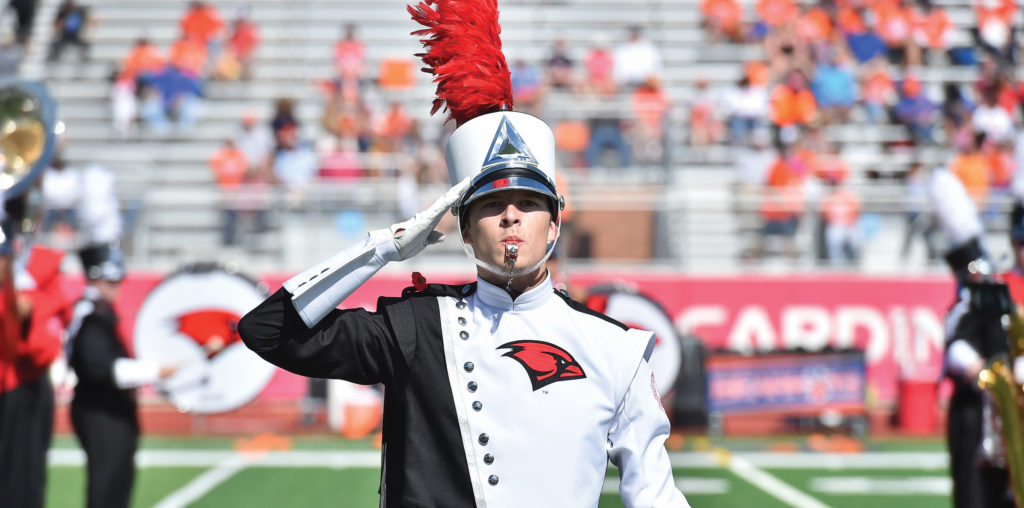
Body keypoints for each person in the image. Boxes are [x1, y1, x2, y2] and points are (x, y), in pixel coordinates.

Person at [239, 1, 688, 506]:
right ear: (466, 231)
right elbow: (267, 330)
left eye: (529, 204)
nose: (511, 216)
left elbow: (655, 496)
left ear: (555, 222)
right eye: (492, 205)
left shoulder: (616, 349)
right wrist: (383, 248)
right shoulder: (416, 328)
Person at [929, 167, 1015, 508]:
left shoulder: (1002, 298)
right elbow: (957, 345)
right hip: (976, 414)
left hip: (1006, 415)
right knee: (972, 492)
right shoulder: (966, 306)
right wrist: (981, 368)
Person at [67, 243, 177, 508]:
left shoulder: (100, 313)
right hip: (100, 412)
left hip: (111, 411)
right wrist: (154, 370)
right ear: (94, 279)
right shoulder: (90, 317)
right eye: (112, 280)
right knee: (106, 487)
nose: (118, 286)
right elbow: (101, 368)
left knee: (118, 484)